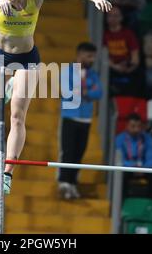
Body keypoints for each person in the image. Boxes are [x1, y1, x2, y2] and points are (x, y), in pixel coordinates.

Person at [0, 0, 112, 195]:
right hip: (1, 57)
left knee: (17, 117)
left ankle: (8, 172)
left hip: (28, 61)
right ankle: (10, 83)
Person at [58, 42, 102, 200]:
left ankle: (73, 182)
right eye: (89, 56)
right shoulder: (68, 71)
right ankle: (63, 181)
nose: (92, 60)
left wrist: (84, 92)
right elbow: (67, 92)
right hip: (70, 116)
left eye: (93, 57)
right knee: (68, 151)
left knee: (79, 152)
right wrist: (85, 92)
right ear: (80, 55)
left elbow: (99, 93)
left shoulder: (93, 75)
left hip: (85, 118)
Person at [115, 113, 152, 198]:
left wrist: (144, 168)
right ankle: (122, 202)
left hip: (144, 168)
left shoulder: (148, 138)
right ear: (127, 125)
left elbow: (151, 157)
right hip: (127, 168)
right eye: (133, 126)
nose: (136, 129)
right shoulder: (119, 139)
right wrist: (132, 167)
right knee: (120, 176)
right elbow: (120, 159)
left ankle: (151, 202)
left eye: (139, 126)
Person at [103, 6, 142, 96]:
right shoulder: (103, 34)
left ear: (121, 18)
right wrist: (115, 66)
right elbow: (103, 56)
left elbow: (135, 57)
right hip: (110, 67)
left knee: (140, 76)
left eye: (116, 16)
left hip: (127, 66)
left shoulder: (128, 34)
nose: (113, 18)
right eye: (110, 15)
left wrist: (130, 67)